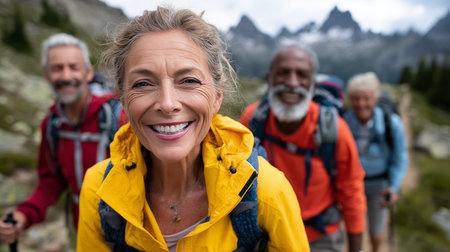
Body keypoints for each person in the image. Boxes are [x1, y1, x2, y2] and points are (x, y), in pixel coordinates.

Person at [76, 7, 309, 252]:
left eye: (189, 81)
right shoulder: (99, 190)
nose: (167, 104)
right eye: (143, 83)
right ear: (123, 99)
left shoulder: (266, 191)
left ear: (217, 96)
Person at [0, 33, 126, 244]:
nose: (66, 76)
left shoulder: (118, 116)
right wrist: (24, 215)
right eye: (57, 68)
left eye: (74, 67)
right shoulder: (52, 124)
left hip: (127, 231)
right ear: (47, 75)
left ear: (88, 73)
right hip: (82, 229)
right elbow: (51, 181)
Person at [240, 45, 366, 252]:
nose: (292, 83)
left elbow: (351, 190)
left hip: (320, 238)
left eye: (302, 75)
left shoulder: (334, 129)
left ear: (312, 84)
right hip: (265, 234)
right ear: (269, 78)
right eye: (283, 73)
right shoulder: (252, 120)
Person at [343, 72, 408, 252]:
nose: (361, 103)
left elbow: (399, 157)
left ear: (376, 98)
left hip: (380, 186)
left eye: (366, 98)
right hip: (351, 186)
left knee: (376, 229)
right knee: (353, 229)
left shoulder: (391, 123)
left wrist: (394, 186)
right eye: (356, 98)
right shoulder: (343, 123)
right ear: (349, 99)